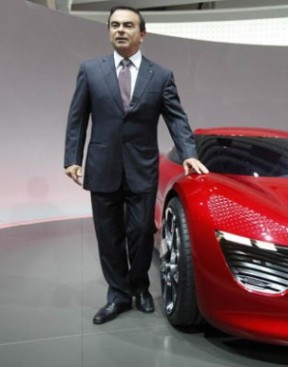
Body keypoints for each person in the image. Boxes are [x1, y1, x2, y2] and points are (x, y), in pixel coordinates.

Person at [63, 6, 208, 325]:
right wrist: (72, 158)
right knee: (108, 234)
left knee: (142, 232)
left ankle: (140, 287)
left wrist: (188, 151)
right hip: (102, 166)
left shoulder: (161, 75)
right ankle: (118, 294)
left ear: (142, 34)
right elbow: (78, 118)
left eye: (128, 25)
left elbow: (177, 118)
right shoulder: (90, 71)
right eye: (114, 25)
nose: (120, 30)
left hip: (142, 168)